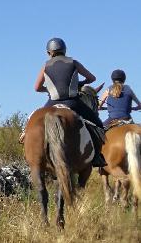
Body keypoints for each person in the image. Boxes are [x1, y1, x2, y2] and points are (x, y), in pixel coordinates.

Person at [32, 37, 106, 166]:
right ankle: (97, 156)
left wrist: (48, 89)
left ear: (49, 53)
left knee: (34, 121)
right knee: (97, 124)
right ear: (65, 50)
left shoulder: (45, 66)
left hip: (52, 103)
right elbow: (92, 78)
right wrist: (80, 83)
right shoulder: (74, 62)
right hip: (73, 102)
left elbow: (37, 88)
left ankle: (31, 149)